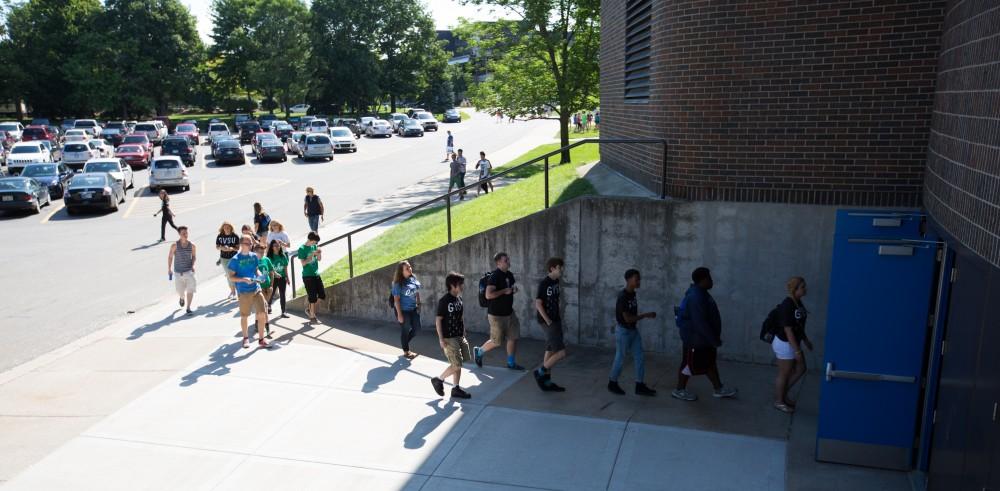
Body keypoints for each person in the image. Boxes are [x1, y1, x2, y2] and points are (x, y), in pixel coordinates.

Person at [672, 267, 738, 401]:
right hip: (695, 340)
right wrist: (713, 339)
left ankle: (718, 388)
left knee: (709, 363)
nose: (712, 281)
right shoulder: (696, 297)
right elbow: (699, 322)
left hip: (703, 340)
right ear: (702, 280)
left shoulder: (701, 293)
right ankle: (679, 390)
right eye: (709, 278)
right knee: (688, 365)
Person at [608, 269, 657, 396]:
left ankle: (639, 385)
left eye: (639, 279)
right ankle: (612, 383)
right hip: (624, 332)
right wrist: (646, 315)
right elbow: (627, 318)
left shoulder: (632, 294)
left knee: (640, 357)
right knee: (620, 357)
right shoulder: (623, 297)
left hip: (632, 331)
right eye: (637, 279)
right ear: (629, 280)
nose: (639, 281)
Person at [473, 252, 524, 370]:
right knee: (497, 341)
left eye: (508, 259)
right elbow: (488, 295)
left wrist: (513, 290)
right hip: (496, 315)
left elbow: (508, 290)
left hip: (509, 313)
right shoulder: (495, 276)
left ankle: (511, 363)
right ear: (498, 263)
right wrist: (504, 291)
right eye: (506, 260)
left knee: (513, 337)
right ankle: (479, 351)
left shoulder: (510, 275)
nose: (508, 261)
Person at [772, 276, 812, 413]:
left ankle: (781, 394)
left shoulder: (798, 302)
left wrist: (806, 340)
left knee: (801, 368)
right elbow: (788, 330)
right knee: (784, 373)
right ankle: (779, 401)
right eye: (802, 287)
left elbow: (799, 326)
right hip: (785, 343)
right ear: (795, 289)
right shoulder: (787, 305)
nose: (805, 289)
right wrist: (797, 352)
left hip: (793, 343)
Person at [431, 272, 472, 399]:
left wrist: (463, 330)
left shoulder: (458, 299)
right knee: (457, 364)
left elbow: (460, 317)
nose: (462, 286)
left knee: (459, 362)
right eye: (460, 284)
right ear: (452, 286)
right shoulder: (444, 301)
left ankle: (455, 388)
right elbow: (438, 320)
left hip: (459, 335)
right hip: (449, 337)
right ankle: (439, 379)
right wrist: (441, 338)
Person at [228, 235, 270, 349]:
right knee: (245, 316)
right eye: (249, 243)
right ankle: (245, 338)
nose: (251, 245)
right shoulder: (235, 260)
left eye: (251, 243)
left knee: (262, 313)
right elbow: (231, 277)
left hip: (256, 288)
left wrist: (260, 276)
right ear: (242, 244)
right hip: (244, 291)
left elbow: (256, 269)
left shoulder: (254, 256)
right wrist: (243, 279)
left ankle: (261, 339)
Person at [533, 258, 567, 392]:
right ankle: (540, 372)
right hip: (549, 322)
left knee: (550, 350)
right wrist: (548, 320)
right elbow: (538, 303)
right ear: (552, 268)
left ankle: (546, 381)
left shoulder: (556, 282)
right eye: (560, 268)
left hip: (555, 320)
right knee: (561, 352)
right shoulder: (544, 283)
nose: (562, 270)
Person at [392, 260, 421, 359]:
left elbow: (416, 291)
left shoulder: (413, 278)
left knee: (417, 329)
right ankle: (406, 351)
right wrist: (399, 315)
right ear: (401, 272)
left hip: (413, 309)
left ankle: (404, 343)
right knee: (405, 329)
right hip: (403, 310)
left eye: (410, 266)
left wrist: (418, 303)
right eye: (407, 268)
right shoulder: (398, 284)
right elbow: (396, 300)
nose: (410, 269)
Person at [167, 226, 197, 316]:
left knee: (190, 289)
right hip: (178, 273)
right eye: (183, 233)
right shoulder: (174, 245)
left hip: (189, 272)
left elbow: (194, 256)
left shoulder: (192, 245)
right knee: (180, 291)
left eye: (186, 233)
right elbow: (170, 257)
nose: (185, 235)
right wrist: (169, 269)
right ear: (179, 234)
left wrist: (192, 265)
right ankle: (181, 297)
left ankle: (188, 308)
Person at [298, 231, 325, 323]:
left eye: (316, 243)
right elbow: (303, 263)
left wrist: (319, 253)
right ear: (310, 239)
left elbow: (319, 259)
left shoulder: (314, 246)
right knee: (312, 297)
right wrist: (311, 255)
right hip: (307, 276)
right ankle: (312, 316)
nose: (315, 244)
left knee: (322, 295)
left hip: (316, 274)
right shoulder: (302, 248)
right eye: (314, 242)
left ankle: (310, 309)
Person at [253, 243, 275, 338]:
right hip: (258, 288)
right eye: (260, 252)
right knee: (264, 308)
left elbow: (271, 272)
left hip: (267, 287)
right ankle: (267, 330)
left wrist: (271, 285)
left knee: (263, 309)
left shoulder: (267, 259)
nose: (262, 254)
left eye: (263, 252)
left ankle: (257, 322)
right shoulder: (253, 262)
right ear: (255, 252)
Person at [266, 239, 289, 318]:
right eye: (275, 245)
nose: (277, 247)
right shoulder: (269, 257)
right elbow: (268, 269)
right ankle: (268, 306)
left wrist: (287, 277)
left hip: (282, 278)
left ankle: (283, 311)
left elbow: (285, 267)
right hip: (273, 278)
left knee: (283, 294)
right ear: (272, 247)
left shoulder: (283, 255)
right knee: (271, 293)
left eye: (278, 245)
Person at [216, 222, 239, 299]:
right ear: (222, 228)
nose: (226, 229)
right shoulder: (220, 236)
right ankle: (233, 292)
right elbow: (217, 246)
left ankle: (238, 290)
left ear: (231, 228)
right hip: (224, 258)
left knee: (235, 274)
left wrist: (232, 249)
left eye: (228, 227)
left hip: (234, 258)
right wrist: (222, 248)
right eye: (225, 227)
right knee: (229, 275)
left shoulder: (235, 236)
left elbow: (238, 248)